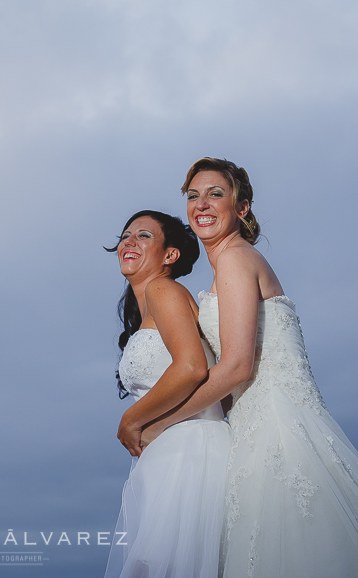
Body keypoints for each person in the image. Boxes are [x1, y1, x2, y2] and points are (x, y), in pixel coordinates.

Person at [140, 158, 358, 577]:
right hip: (253, 425)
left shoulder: (236, 260)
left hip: (276, 427)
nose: (201, 204)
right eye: (193, 196)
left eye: (215, 194)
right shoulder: (230, 262)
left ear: (241, 208)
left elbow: (238, 367)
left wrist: (160, 421)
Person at [104, 210, 232, 578]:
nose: (128, 242)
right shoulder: (149, 306)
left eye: (143, 236)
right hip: (167, 456)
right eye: (126, 235)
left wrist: (132, 418)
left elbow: (192, 368)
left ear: (169, 255)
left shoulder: (163, 290)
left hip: (188, 455)